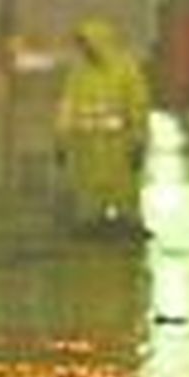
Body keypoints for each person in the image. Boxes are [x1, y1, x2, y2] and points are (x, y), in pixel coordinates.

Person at [54, 19, 151, 235]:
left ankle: (128, 220)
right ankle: (91, 220)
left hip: (119, 144)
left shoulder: (126, 70)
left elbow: (138, 106)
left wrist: (138, 140)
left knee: (124, 186)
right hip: (87, 145)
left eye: (87, 43)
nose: (85, 49)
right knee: (89, 186)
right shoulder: (79, 72)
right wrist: (61, 140)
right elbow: (68, 106)